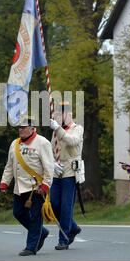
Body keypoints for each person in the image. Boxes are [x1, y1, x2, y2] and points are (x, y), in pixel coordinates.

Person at [0, 115, 54, 256]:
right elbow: (9, 166)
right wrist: (5, 182)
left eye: (24, 127)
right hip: (20, 187)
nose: (21, 130)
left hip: (37, 188)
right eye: (19, 127)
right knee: (18, 213)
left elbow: (49, 167)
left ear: (32, 128)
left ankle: (31, 247)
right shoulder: (14, 144)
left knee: (36, 217)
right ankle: (41, 232)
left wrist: (46, 185)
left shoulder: (42, 143)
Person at [49, 101, 84, 250]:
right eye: (56, 114)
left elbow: (72, 141)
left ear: (68, 114)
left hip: (70, 171)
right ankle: (73, 227)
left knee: (65, 207)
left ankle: (63, 239)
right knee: (54, 204)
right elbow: (51, 149)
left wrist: (58, 129)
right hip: (57, 171)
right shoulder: (56, 132)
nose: (57, 116)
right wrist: (52, 163)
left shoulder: (77, 129)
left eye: (60, 114)